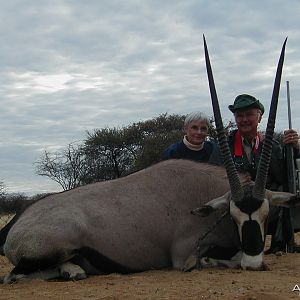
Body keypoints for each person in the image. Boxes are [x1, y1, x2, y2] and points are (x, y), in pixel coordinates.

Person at [220, 94, 300, 253]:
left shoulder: (272, 146)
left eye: (249, 114)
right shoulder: (224, 147)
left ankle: (281, 241)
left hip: (265, 208)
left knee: (288, 191)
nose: (244, 120)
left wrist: (295, 147)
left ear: (260, 117)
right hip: (237, 208)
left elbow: (287, 175)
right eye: (239, 115)